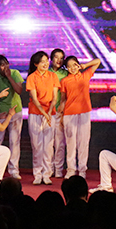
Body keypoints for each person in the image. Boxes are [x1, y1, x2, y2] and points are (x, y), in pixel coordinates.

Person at [58, 55, 101, 179]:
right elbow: (63, 99)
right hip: (69, 113)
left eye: (74, 65)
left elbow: (97, 61)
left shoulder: (85, 75)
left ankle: (82, 170)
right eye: (69, 66)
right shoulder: (64, 81)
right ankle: (71, 169)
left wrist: (85, 65)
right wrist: (61, 116)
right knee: (71, 143)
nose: (72, 68)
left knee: (83, 142)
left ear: (78, 64)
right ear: (66, 68)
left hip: (84, 112)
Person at [26, 51, 61, 185]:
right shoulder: (31, 77)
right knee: (37, 145)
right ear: (36, 64)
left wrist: (49, 111)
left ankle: (47, 174)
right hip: (36, 113)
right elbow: (34, 99)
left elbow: (55, 97)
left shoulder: (53, 76)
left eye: (46, 61)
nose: (45, 64)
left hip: (50, 113)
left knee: (48, 146)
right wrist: (44, 113)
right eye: (42, 62)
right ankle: (37, 174)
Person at [0, 55, 24, 179]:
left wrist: (9, 76)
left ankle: (14, 170)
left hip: (15, 111)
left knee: (14, 141)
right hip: (1, 112)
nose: (6, 67)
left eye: (7, 63)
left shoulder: (15, 73)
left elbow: (19, 90)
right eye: (2, 65)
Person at [49, 48, 68, 178]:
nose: (59, 60)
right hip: (48, 112)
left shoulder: (66, 74)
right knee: (48, 143)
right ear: (51, 59)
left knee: (60, 143)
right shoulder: (46, 72)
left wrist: (63, 106)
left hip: (61, 112)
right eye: (56, 57)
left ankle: (59, 169)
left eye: (61, 58)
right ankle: (49, 168)